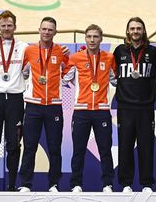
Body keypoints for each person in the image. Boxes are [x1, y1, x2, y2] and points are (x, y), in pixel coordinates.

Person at [18, 17, 69, 192]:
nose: (47, 32)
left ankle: (54, 184)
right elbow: (23, 73)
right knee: (29, 146)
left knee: (54, 147)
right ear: (39, 30)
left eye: (50, 29)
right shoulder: (29, 50)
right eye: (44, 29)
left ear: (55, 32)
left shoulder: (62, 52)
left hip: (54, 105)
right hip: (33, 105)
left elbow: (68, 73)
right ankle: (25, 184)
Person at [63, 24, 116, 193]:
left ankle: (107, 184)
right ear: (85, 39)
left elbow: (116, 80)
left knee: (105, 150)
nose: (92, 40)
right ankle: (76, 184)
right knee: (78, 150)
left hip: (102, 110)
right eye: (89, 37)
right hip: (81, 110)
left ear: (101, 39)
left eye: (96, 37)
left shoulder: (109, 58)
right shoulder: (76, 58)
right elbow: (65, 79)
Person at [113, 17, 156, 193]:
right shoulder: (119, 51)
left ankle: (147, 183)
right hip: (125, 108)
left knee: (146, 147)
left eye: (138, 28)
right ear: (127, 31)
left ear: (143, 31)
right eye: (132, 28)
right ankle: (126, 184)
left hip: (146, 108)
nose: (135, 31)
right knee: (125, 146)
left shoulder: (153, 51)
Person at [0, 10, 28, 191]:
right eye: (3, 26)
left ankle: (12, 184)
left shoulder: (24, 47)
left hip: (15, 100)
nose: (7, 28)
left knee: (14, 143)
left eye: (10, 25)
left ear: (15, 27)